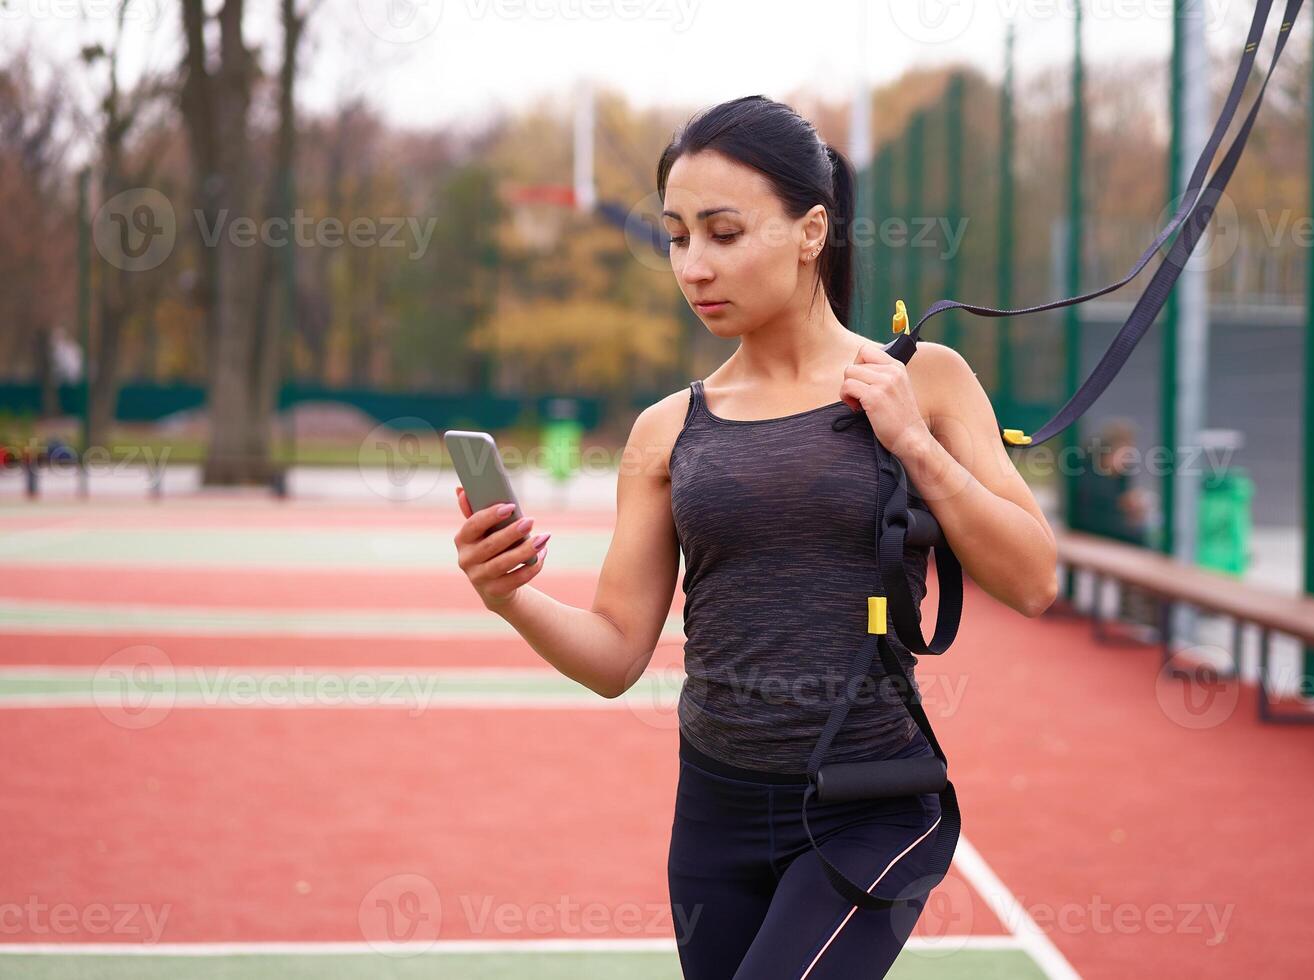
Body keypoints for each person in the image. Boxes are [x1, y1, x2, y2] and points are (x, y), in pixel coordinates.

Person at [452, 95, 1057, 979]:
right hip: (714, 814)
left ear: (812, 230)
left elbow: (1034, 579)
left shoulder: (922, 379)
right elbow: (617, 655)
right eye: (676, 236)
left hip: (871, 802)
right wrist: (506, 595)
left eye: (724, 233)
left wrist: (916, 445)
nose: (693, 266)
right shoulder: (665, 430)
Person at [1072, 419, 1159, 632]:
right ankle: (1137, 606)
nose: (1128, 457)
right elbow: (1092, 512)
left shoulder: (1121, 471)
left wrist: (1132, 505)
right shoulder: (1088, 470)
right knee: (1139, 539)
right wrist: (1123, 506)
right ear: (1110, 449)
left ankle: (1138, 604)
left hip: (1111, 528)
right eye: (1124, 451)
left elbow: (1121, 503)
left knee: (1145, 534)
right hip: (1090, 529)